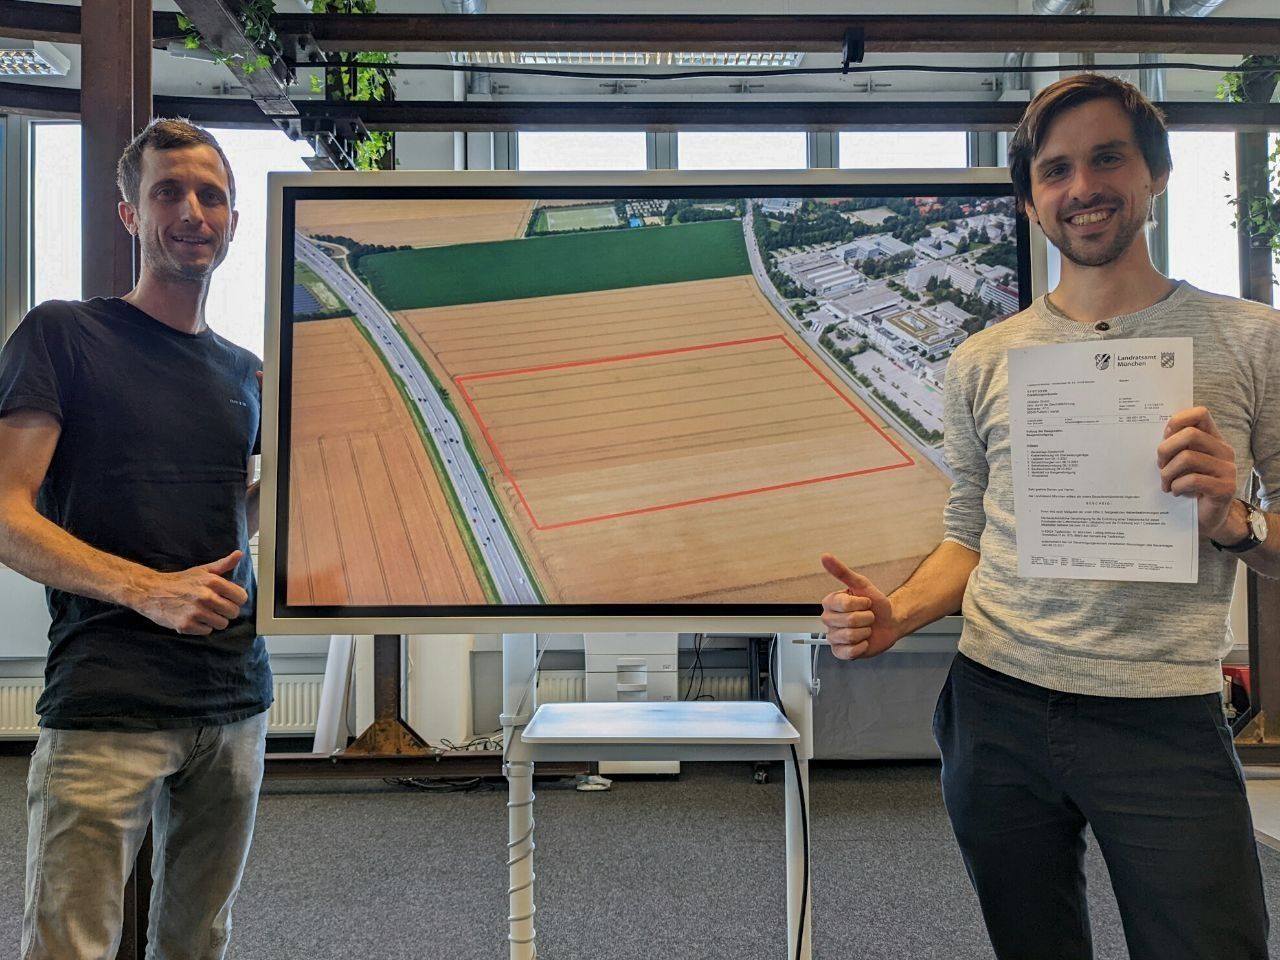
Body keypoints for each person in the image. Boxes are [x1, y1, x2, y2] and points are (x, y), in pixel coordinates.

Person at [820, 73, 1279, 960]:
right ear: (1032, 204)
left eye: (1108, 159)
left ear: (1155, 175)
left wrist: (1234, 520)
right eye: (1056, 171)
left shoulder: (1252, 340)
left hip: (1161, 714)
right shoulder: (982, 361)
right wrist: (897, 613)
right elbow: (970, 533)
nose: (1083, 187)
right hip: (998, 707)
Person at [0, 119, 272, 960]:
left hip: (235, 698)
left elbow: (227, 514)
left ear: (233, 221)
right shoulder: (63, 335)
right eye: (168, 193)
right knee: (71, 948)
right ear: (130, 213)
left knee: (198, 941)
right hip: (108, 698)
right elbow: (6, 511)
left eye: (211, 196)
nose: (192, 212)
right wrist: (147, 589)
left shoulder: (244, 371)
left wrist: (299, 475)